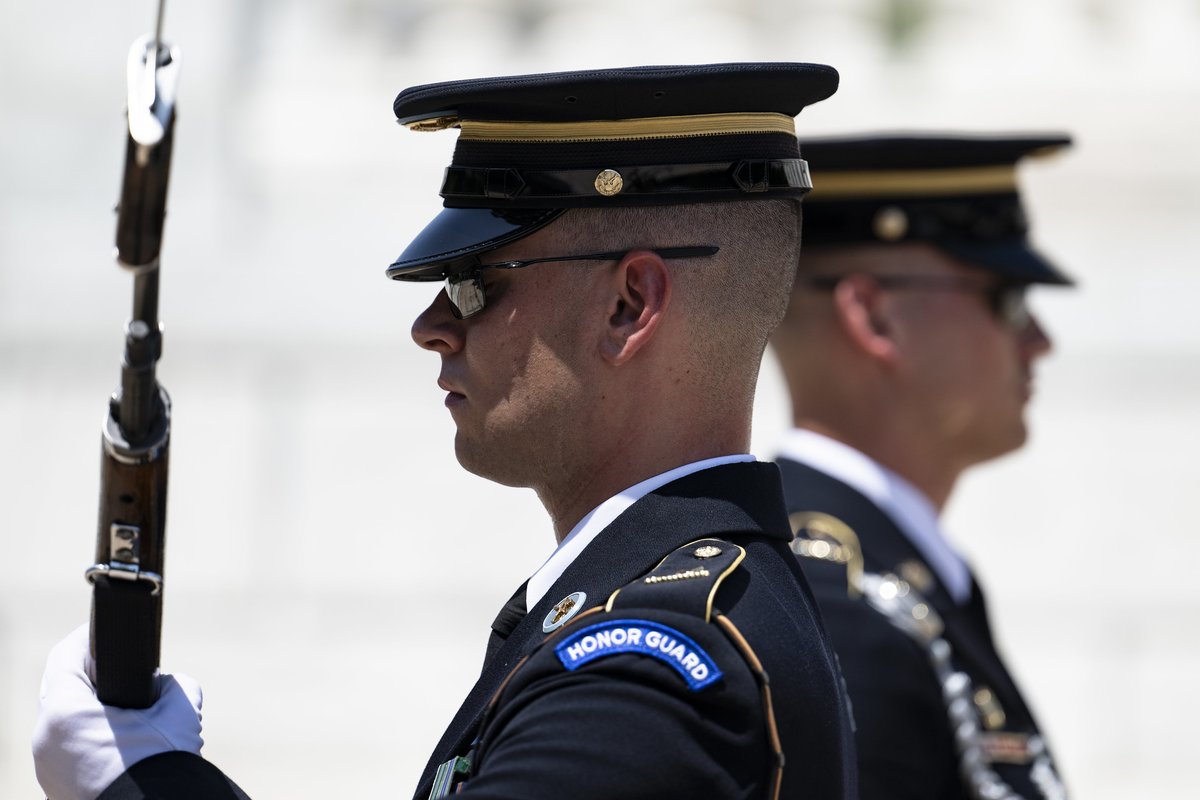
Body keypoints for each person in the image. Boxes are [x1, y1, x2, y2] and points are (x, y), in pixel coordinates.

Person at [34, 63, 858, 800]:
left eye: (475, 283)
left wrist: (145, 782)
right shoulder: (686, 612)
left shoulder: (651, 676)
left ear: (628, 306)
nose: (432, 326)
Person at [770, 134, 1072, 800]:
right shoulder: (834, 610)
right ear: (874, 315)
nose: (1040, 342)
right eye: (1008, 299)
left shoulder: (884, 572)